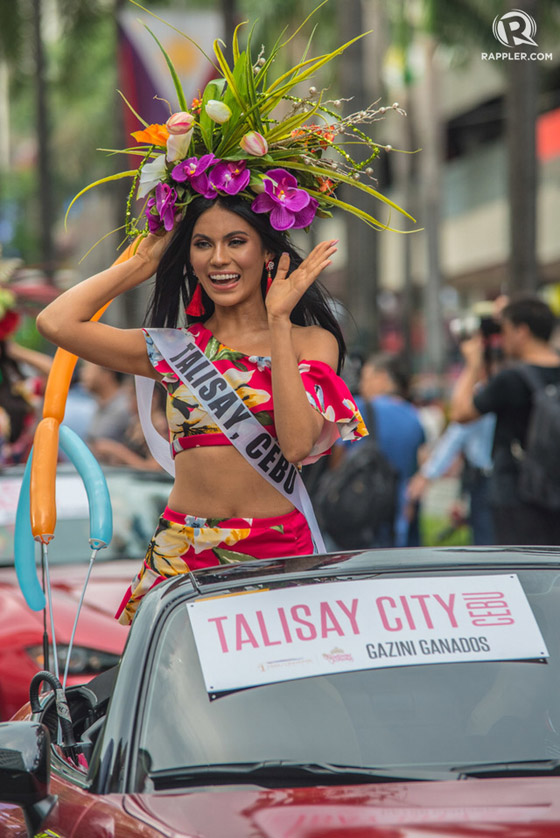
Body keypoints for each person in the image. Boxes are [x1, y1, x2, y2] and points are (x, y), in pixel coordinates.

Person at [450, 296, 560, 545]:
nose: (502, 338)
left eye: (506, 329)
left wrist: (472, 364)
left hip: (517, 492)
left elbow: (459, 413)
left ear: (522, 331)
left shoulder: (511, 379)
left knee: (522, 569)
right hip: (555, 488)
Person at [355, 353, 425, 547]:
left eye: (366, 377)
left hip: (362, 511)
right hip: (402, 511)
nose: (362, 385)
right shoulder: (414, 416)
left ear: (383, 378)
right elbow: (418, 463)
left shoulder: (357, 410)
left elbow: (337, 458)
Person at [407, 415, 496, 545]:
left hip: (488, 481)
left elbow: (457, 435)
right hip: (483, 479)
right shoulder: (408, 415)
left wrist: (426, 475)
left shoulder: (476, 402)